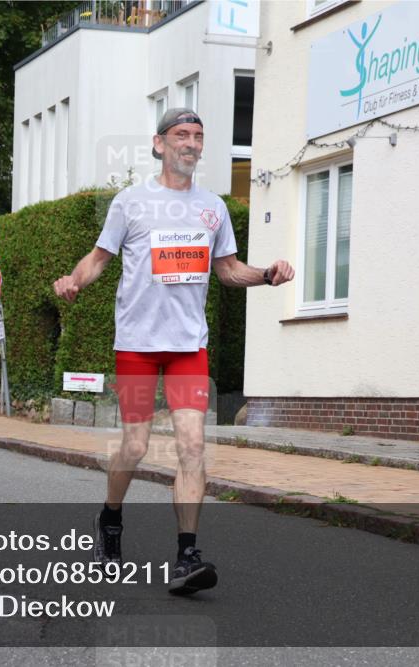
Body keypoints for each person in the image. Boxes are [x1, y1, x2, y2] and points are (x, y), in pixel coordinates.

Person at [52, 108, 294, 595]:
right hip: (138, 346)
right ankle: (110, 521)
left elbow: (227, 270)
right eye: (181, 135)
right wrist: (73, 282)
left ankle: (187, 555)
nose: (191, 143)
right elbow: (99, 258)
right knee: (136, 447)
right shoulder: (131, 202)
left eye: (198, 136)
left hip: (187, 346)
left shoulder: (214, 209)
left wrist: (265, 274)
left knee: (191, 445)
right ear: (159, 144)